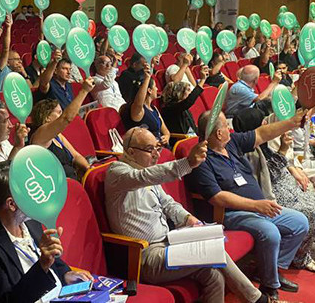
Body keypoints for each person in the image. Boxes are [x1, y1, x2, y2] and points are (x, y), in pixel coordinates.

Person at [105, 128, 274, 303]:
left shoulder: (145, 169)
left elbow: (168, 203)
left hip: (168, 243)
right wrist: (188, 163)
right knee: (214, 251)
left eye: (157, 147)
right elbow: (143, 177)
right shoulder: (118, 173)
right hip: (145, 255)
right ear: (131, 152)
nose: (157, 154)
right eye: (150, 149)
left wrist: (189, 219)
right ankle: (258, 300)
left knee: (214, 276)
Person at [187, 109, 310, 299]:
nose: (230, 129)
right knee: (270, 232)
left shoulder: (231, 143)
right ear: (218, 133)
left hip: (259, 207)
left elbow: (262, 133)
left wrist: (292, 122)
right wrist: (256, 205)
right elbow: (217, 197)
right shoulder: (201, 159)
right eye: (226, 126)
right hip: (231, 213)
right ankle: (270, 286)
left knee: (300, 222)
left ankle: (269, 270)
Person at [0, 161, 93, 303]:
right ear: (12, 204)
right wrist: (42, 265)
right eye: (31, 194)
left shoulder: (29, 221)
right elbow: (7, 300)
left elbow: (52, 261)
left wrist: (65, 274)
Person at [234, 109, 315, 273]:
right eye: (261, 121)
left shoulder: (264, 142)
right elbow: (269, 176)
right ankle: (298, 257)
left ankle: (302, 250)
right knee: (309, 210)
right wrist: (283, 150)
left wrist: (289, 162)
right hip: (269, 192)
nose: (265, 123)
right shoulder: (247, 150)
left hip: (282, 182)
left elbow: (279, 163)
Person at [30, 78, 94, 180]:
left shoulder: (57, 135)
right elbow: (66, 118)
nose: (62, 115)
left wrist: (88, 169)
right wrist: (84, 91)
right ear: (47, 117)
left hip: (73, 179)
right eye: (59, 112)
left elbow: (75, 156)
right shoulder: (40, 134)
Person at [121, 61, 171, 146]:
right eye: (155, 86)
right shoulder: (138, 110)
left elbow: (166, 132)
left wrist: (166, 137)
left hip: (161, 147)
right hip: (145, 149)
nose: (157, 89)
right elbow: (138, 104)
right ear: (149, 90)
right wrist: (147, 78)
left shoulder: (154, 108)